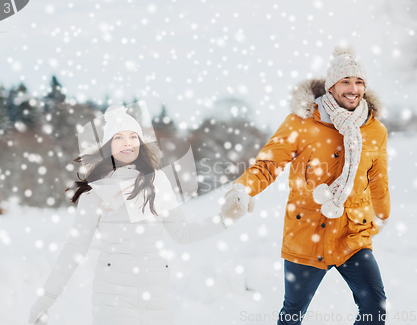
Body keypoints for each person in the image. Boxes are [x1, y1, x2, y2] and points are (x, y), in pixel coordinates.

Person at [222, 43, 390, 324]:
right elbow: (268, 164)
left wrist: (382, 215)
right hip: (307, 234)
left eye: (359, 82)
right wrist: (242, 188)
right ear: (331, 86)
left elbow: (378, 178)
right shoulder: (301, 122)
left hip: (353, 235)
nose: (353, 88)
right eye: (345, 81)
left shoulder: (374, 129)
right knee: (292, 314)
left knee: (375, 307)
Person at [28, 105, 240, 325]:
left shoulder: (158, 183)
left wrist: (225, 219)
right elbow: (74, 248)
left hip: (157, 301)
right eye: (118, 137)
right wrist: (44, 301)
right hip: (113, 299)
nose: (127, 142)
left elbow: (182, 233)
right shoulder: (96, 192)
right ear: (108, 145)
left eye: (133, 136)